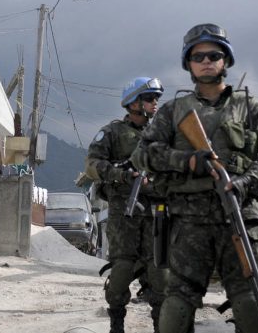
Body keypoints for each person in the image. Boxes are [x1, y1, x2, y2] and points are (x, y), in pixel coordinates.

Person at [131, 23, 258, 333]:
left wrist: (246, 181)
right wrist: (187, 160)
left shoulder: (250, 109)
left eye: (213, 55)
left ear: (225, 61)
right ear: (188, 64)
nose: (206, 61)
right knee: (176, 306)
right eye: (197, 56)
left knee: (249, 305)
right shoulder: (174, 112)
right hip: (189, 223)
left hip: (240, 217)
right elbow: (142, 155)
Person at [85, 76, 168, 333]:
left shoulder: (161, 135)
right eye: (150, 98)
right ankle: (117, 323)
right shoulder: (112, 133)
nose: (155, 103)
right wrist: (121, 174)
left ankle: (160, 325)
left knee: (159, 272)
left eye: (157, 99)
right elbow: (91, 165)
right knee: (122, 268)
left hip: (157, 212)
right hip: (125, 211)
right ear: (133, 103)